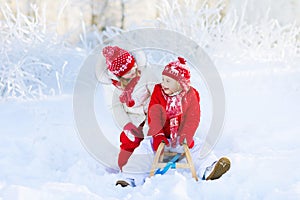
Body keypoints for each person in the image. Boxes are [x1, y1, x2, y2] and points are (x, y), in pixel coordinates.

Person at [116, 57, 231, 187]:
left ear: (180, 84)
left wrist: (186, 135)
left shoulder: (191, 95)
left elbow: (193, 118)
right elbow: (154, 117)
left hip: (182, 138)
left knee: (201, 147)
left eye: (168, 81)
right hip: (161, 138)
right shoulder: (158, 92)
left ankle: (209, 168)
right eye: (163, 79)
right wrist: (158, 135)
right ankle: (131, 177)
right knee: (143, 149)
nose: (163, 83)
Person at [101, 46, 158, 172]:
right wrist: (127, 125)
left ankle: (152, 161)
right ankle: (125, 166)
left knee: (152, 139)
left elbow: (156, 93)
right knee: (129, 141)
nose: (133, 71)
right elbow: (115, 107)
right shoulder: (114, 87)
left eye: (133, 66)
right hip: (132, 118)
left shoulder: (145, 73)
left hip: (150, 112)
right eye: (127, 71)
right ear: (119, 76)